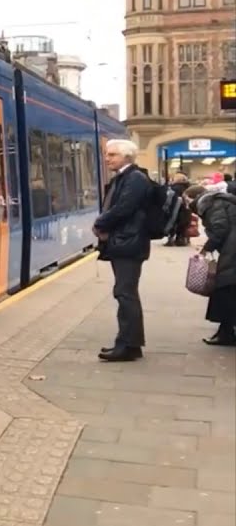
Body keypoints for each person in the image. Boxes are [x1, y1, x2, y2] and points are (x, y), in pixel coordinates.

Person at [93, 139, 153, 362]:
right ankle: (131, 344)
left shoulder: (134, 178)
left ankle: (127, 345)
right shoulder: (125, 177)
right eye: (107, 154)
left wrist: (100, 223)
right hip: (126, 242)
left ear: (126, 156)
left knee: (125, 293)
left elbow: (124, 208)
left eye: (112, 155)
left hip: (129, 244)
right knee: (126, 293)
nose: (107, 159)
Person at [187, 182, 236, 346]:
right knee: (228, 289)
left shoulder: (211, 204)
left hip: (232, 250)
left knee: (225, 288)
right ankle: (225, 331)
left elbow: (220, 229)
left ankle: (226, 333)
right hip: (231, 248)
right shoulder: (218, 202)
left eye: (187, 200)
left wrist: (206, 249)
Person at [166, 173, 191, 246]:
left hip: (175, 208)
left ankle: (171, 239)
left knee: (173, 223)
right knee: (183, 224)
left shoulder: (173, 188)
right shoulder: (188, 188)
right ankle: (181, 239)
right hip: (186, 209)